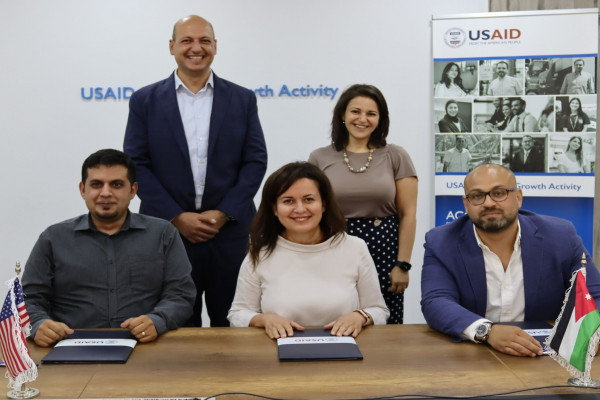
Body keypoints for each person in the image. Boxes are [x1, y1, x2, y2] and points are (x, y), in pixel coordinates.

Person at [123, 15, 268, 327]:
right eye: (187, 40)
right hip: (167, 233)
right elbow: (136, 166)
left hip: (230, 235)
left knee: (234, 324)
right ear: (172, 47)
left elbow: (255, 162)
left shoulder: (242, 99)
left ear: (215, 46)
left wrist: (223, 213)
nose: (196, 47)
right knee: (173, 326)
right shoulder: (144, 101)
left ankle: (232, 380)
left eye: (204, 40)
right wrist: (177, 217)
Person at [421, 163, 600, 357]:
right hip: (472, 354)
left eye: (499, 193)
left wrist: (590, 331)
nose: (488, 203)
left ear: (518, 197)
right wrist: (487, 331)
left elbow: (593, 293)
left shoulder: (561, 236)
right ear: (466, 204)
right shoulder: (440, 241)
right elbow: (436, 301)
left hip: (544, 356)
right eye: (477, 196)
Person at [22, 149, 196, 347]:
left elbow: (181, 294)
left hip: (146, 348)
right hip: (69, 348)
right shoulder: (53, 238)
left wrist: (158, 320)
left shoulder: (163, 234)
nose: (106, 193)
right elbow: (29, 299)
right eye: (96, 184)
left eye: (116, 184)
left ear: (133, 190)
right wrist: (37, 324)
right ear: (82, 189)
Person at [227, 162, 389, 338]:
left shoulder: (354, 247)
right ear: (274, 208)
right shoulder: (260, 253)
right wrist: (265, 320)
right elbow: (237, 315)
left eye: (308, 199)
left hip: (344, 352)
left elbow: (379, 310)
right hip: (278, 353)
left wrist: (360, 316)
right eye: (288, 201)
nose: (300, 209)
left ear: (324, 204)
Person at [308, 84, 417, 324]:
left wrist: (403, 264)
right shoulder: (320, 157)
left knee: (381, 319)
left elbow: (408, 214)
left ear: (380, 119)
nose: (362, 119)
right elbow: (312, 210)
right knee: (335, 316)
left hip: (384, 247)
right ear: (342, 115)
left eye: (371, 113)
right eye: (355, 111)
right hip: (333, 245)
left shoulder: (396, 155)